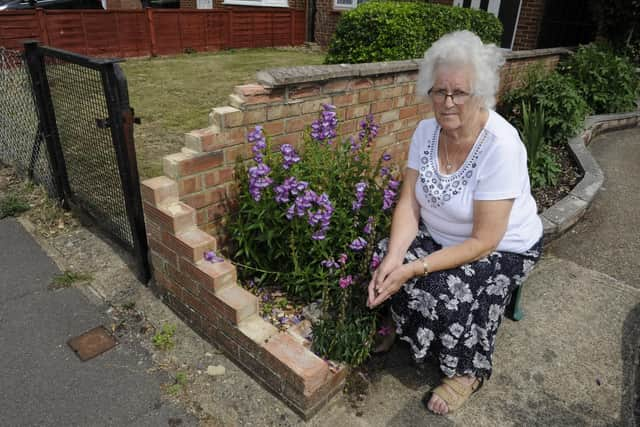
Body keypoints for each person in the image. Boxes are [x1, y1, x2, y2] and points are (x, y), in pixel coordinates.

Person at [367, 30, 543, 415]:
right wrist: (395, 258)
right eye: (438, 91)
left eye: (459, 92)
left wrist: (415, 266)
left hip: (503, 246)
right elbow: (408, 205)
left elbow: (484, 240)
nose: (447, 102)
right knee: (381, 254)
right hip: (440, 233)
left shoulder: (502, 144)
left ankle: (468, 371)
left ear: (480, 94)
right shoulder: (425, 131)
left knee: (447, 288)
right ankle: (404, 324)